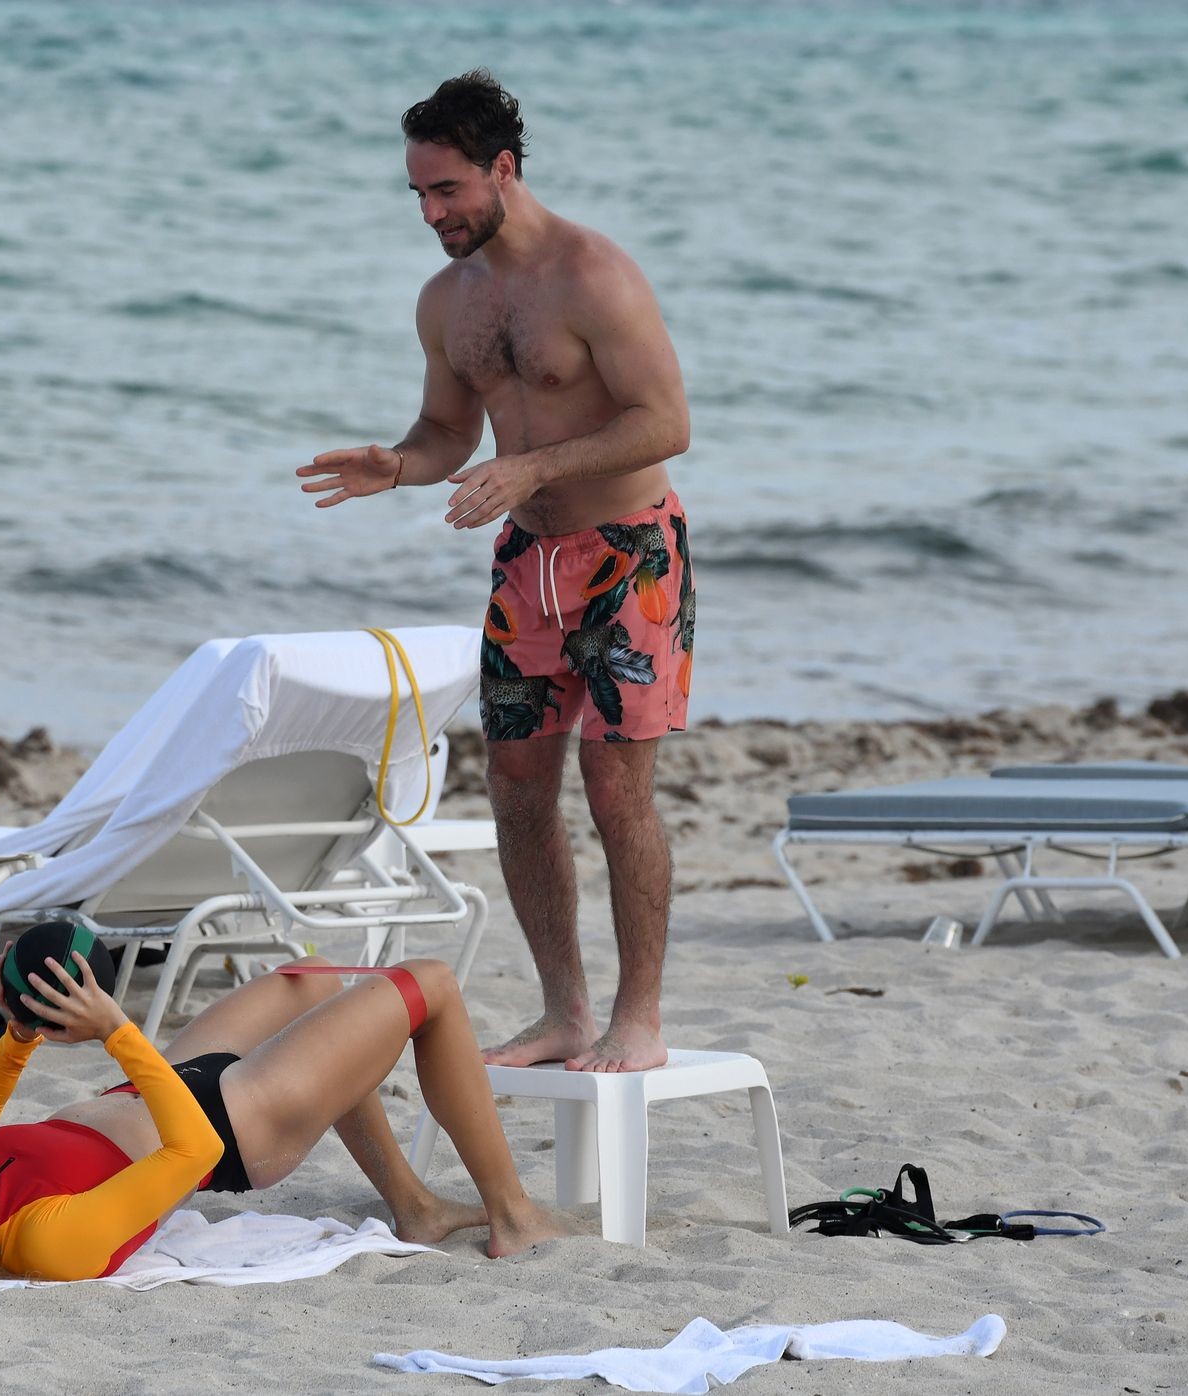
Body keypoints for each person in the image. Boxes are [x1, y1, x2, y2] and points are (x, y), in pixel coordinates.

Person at [295, 71, 693, 1073]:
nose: (432, 214)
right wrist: (397, 465)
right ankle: (565, 1012)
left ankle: (638, 1019)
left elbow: (665, 423)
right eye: (419, 195)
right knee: (516, 788)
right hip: (527, 564)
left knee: (617, 790)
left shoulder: (594, 276)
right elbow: (446, 430)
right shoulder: (447, 300)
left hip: (628, 555)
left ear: (502, 169)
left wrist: (535, 467)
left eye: (447, 190)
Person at [0, 953, 564, 1281]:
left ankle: (416, 1209)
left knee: (309, 979)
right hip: (239, 1123)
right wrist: (116, 1030)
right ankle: (513, 1216)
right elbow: (192, 1151)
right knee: (430, 983)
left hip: (161, 1088)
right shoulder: (45, 1242)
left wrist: (20, 1033)